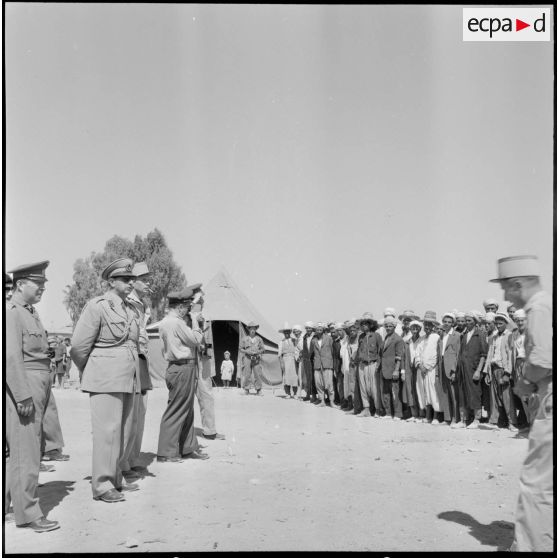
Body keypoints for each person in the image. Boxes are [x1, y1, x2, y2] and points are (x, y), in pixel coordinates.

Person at [490, 255, 553, 552]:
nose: (505, 295)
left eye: (506, 288)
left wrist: (525, 382)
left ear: (517, 284)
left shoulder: (539, 308)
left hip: (550, 400)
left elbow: (542, 360)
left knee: (536, 483)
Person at [71, 258, 142, 503]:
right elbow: (79, 347)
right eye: (125, 279)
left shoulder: (132, 309)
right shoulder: (97, 306)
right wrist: (92, 370)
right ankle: (102, 485)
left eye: (132, 279)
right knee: (107, 432)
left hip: (128, 376)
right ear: (111, 281)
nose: (131, 283)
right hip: (105, 376)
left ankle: (116, 477)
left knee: (123, 430)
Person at [5, 260, 60, 531]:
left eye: (43, 284)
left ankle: (8, 507)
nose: (42, 289)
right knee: (25, 452)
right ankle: (28, 514)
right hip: (25, 385)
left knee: (27, 448)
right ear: (19, 285)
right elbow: (11, 357)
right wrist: (22, 395)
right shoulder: (13, 312)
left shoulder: (30, 312)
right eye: (37, 284)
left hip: (39, 381)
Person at [156, 287, 209, 462]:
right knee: (177, 410)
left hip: (179, 367)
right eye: (186, 306)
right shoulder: (177, 323)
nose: (188, 310)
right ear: (179, 307)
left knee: (186, 410)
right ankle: (167, 451)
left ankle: (187, 447)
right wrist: (195, 323)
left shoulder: (165, 322)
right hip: (182, 368)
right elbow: (195, 340)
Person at [123, 262, 154, 477]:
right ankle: (123, 463)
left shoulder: (142, 304)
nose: (149, 283)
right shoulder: (127, 301)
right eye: (145, 279)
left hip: (141, 358)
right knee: (130, 414)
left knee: (140, 412)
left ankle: (132, 459)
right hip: (129, 359)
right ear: (133, 281)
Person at [456, 311, 488, 429]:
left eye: (469, 321)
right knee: (462, 393)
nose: (467, 323)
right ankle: (463, 419)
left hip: (473, 369)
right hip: (463, 369)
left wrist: (478, 370)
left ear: (475, 322)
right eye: (466, 321)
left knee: (475, 393)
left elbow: (483, 355)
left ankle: (476, 419)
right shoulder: (464, 335)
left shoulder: (480, 334)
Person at [354, 312, 383, 418]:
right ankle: (366, 409)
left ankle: (378, 409)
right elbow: (359, 350)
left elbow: (381, 352)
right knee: (363, 387)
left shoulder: (376, 336)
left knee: (374, 388)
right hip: (362, 364)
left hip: (373, 364)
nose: (364, 325)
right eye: (363, 324)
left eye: (367, 323)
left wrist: (378, 364)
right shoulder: (361, 337)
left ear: (371, 324)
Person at [416, 311, 441, 424]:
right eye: (426, 324)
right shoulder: (421, 339)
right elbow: (417, 353)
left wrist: (428, 367)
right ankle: (427, 415)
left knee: (433, 392)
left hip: (431, 370)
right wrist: (420, 365)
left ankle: (436, 416)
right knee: (424, 392)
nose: (427, 327)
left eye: (430, 325)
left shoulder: (436, 337)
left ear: (434, 326)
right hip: (421, 370)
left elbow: (437, 354)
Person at [378, 316, 405, 420]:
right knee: (386, 393)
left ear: (394, 326)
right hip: (385, 370)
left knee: (395, 393)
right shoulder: (386, 338)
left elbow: (399, 357)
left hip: (393, 370)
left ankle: (398, 414)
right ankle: (388, 413)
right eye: (386, 326)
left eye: (390, 326)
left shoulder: (398, 339)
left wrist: (396, 370)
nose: (388, 328)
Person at [438, 313, 461, 426]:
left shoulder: (456, 335)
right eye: (445, 321)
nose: (446, 324)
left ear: (453, 324)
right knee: (444, 392)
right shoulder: (442, 335)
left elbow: (458, 354)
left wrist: (454, 370)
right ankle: (447, 418)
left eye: (449, 322)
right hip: (442, 366)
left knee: (453, 394)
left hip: (451, 368)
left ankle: (455, 418)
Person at [508, 309, 529, 430]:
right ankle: (529, 422)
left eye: (522, 320)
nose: (520, 323)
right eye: (518, 321)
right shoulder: (515, 334)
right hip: (518, 364)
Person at [401, 320, 424, 422]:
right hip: (409, 368)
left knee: (419, 390)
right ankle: (413, 414)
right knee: (410, 390)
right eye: (413, 327)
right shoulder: (407, 341)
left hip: (419, 368)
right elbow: (403, 357)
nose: (415, 329)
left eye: (417, 328)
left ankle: (421, 414)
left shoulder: (422, 340)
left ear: (420, 329)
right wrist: (402, 371)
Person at [310, 323, 336, 408]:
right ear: (315, 330)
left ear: (323, 329)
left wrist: (330, 361)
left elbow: (332, 351)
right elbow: (311, 352)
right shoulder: (313, 340)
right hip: (317, 364)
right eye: (317, 329)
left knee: (329, 384)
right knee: (318, 383)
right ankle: (322, 401)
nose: (319, 330)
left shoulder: (329, 338)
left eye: (320, 328)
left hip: (327, 364)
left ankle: (332, 401)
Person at [239, 321, 265, 395]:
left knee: (257, 373)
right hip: (247, 357)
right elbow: (240, 348)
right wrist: (247, 351)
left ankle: (258, 389)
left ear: (256, 330)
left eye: (254, 329)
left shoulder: (259, 339)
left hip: (256, 358)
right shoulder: (244, 339)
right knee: (247, 373)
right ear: (249, 329)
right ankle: (246, 389)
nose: (252, 330)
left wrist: (257, 352)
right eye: (251, 329)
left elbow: (263, 349)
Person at [278, 326, 298, 398]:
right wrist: (281, 363)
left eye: (288, 331)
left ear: (290, 332)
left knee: (294, 376)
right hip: (285, 359)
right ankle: (288, 393)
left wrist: (297, 359)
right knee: (286, 377)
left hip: (293, 359)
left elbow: (296, 350)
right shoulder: (281, 342)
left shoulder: (294, 340)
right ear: (283, 333)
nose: (286, 333)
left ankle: (295, 393)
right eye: (285, 332)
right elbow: (279, 353)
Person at [301, 322, 316, 403]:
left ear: (312, 329)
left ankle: (314, 395)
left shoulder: (315, 337)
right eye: (307, 328)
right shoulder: (305, 337)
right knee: (307, 378)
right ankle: (308, 394)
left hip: (313, 359)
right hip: (306, 360)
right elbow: (304, 348)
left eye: (309, 328)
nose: (308, 329)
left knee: (314, 378)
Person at [291, 325, 303, 398]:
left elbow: (303, 349)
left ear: (300, 331)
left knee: (301, 376)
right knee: (298, 376)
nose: (296, 333)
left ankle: (301, 394)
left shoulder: (302, 339)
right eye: (294, 332)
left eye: (297, 331)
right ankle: (299, 393)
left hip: (302, 359)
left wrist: (300, 356)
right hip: (296, 359)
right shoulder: (296, 339)